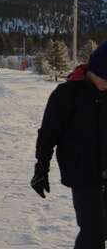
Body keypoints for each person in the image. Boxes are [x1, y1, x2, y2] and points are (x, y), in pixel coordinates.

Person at [32, 41, 107, 248]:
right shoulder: (67, 95)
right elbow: (48, 134)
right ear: (94, 70)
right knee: (93, 235)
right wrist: (41, 168)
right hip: (84, 177)